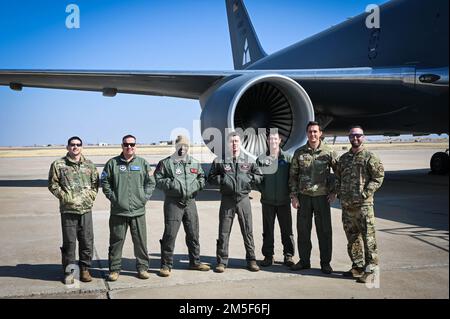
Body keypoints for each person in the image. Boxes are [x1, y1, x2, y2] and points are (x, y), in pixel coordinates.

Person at [101, 134, 156, 281]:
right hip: (119, 211)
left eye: (132, 144)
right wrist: (114, 198)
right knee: (116, 242)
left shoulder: (143, 163)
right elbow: (105, 182)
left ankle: (143, 268)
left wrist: (144, 198)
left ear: (136, 146)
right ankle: (114, 270)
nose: (129, 147)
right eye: (126, 144)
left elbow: (151, 183)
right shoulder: (112, 163)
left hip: (138, 211)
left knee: (140, 242)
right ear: (122, 146)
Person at [154, 135, 210, 277]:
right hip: (173, 203)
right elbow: (157, 179)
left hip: (190, 202)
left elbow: (202, 178)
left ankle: (195, 262)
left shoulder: (195, 163)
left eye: (185, 146)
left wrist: (196, 186)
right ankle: (166, 265)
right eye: (180, 146)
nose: (183, 148)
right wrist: (173, 185)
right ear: (176, 146)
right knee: (170, 234)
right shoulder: (166, 163)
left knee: (193, 233)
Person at [208, 131, 263, 273]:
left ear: (240, 143)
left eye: (236, 141)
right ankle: (221, 261)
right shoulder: (219, 160)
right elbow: (211, 178)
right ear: (227, 144)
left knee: (247, 231)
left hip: (243, 199)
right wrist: (224, 181)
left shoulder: (249, 160)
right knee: (224, 232)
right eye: (231, 142)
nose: (234, 144)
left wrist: (248, 180)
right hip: (227, 200)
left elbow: (259, 176)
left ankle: (251, 260)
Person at [335, 125, 384, 283]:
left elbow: (378, 177)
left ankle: (371, 271)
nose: (355, 138)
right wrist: (339, 193)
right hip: (347, 207)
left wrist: (365, 194)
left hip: (364, 207)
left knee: (369, 240)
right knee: (353, 239)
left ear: (363, 137)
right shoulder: (344, 159)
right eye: (352, 136)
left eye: (358, 135)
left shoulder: (370, 157)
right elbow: (338, 178)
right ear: (349, 138)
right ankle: (357, 267)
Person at [48, 136, 99, 284]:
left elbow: (95, 183)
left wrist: (90, 197)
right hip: (68, 211)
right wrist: (65, 197)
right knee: (69, 243)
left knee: (87, 241)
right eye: (72, 145)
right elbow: (53, 184)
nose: (75, 147)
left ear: (81, 147)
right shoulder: (58, 164)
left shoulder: (89, 165)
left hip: (85, 210)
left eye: (78, 145)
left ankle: (85, 270)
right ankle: (70, 272)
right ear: (67, 147)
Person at [289, 121, 338, 274]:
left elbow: (338, 174)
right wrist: (294, 197)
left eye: (315, 131)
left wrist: (334, 192)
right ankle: (304, 261)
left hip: (322, 198)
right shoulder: (299, 152)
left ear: (320, 133)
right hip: (304, 198)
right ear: (307, 134)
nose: (313, 134)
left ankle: (325, 263)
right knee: (303, 231)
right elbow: (293, 176)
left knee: (324, 232)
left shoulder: (329, 152)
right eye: (310, 131)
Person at [256, 131, 295, 267]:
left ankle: (288, 255)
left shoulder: (288, 159)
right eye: (270, 139)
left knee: (287, 230)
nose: (272, 141)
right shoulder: (261, 160)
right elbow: (257, 180)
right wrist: (264, 191)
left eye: (275, 139)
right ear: (267, 141)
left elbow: (293, 179)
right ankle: (268, 256)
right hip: (267, 202)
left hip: (284, 201)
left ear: (280, 140)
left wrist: (289, 193)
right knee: (268, 231)